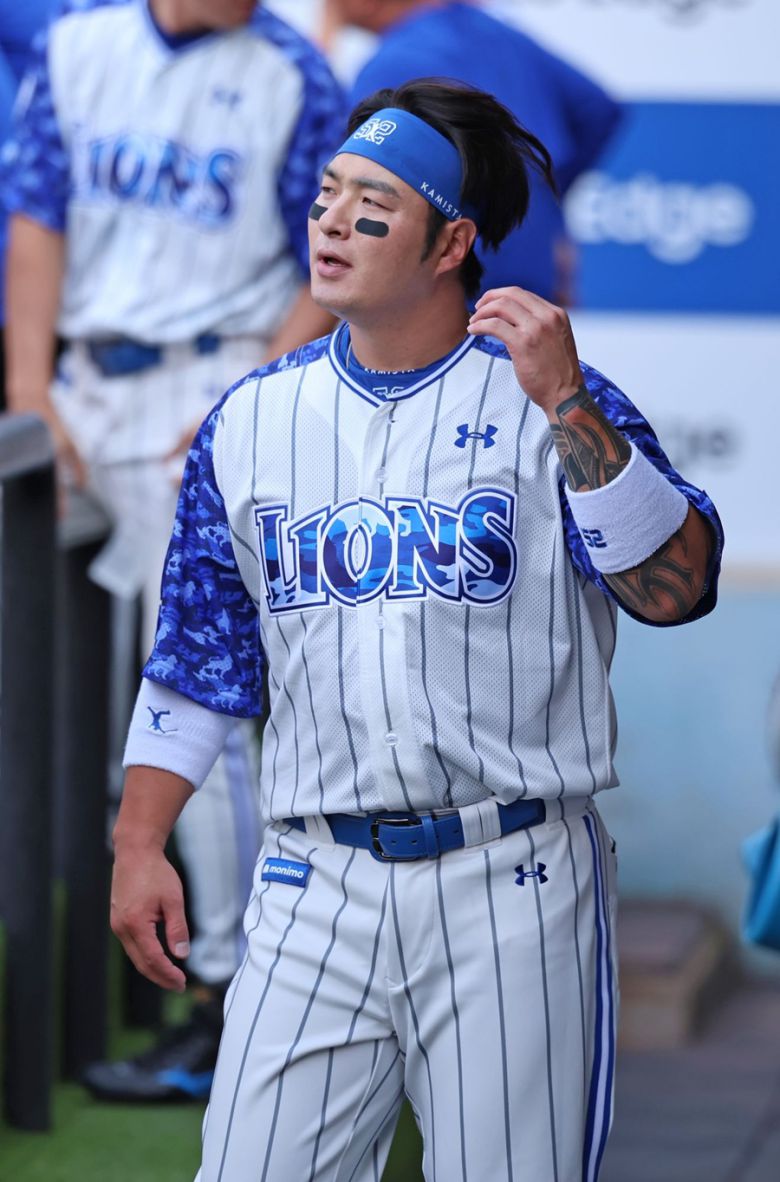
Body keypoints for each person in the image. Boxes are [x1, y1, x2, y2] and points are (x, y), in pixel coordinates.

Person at [110, 78, 722, 1178]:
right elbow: (201, 655)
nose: (333, 223)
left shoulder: (552, 399)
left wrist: (567, 404)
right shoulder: (249, 419)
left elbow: (675, 589)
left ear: (452, 244)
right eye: (328, 196)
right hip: (313, 880)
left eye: (373, 206)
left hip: (513, 877)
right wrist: (140, 841)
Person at [0, 0, 345, 1101]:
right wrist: (28, 391)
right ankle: (134, 968)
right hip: (79, 386)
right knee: (77, 701)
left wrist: (257, 393)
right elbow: (36, 217)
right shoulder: (77, 42)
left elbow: (330, 259)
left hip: (211, 377)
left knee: (201, 709)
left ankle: (232, 990)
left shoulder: (291, 70)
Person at [330, 0, 621, 305]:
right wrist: (540, 201)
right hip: (531, 255)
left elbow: (350, 180)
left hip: (449, 274)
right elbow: (597, 109)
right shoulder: (497, 34)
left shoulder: (391, 64)